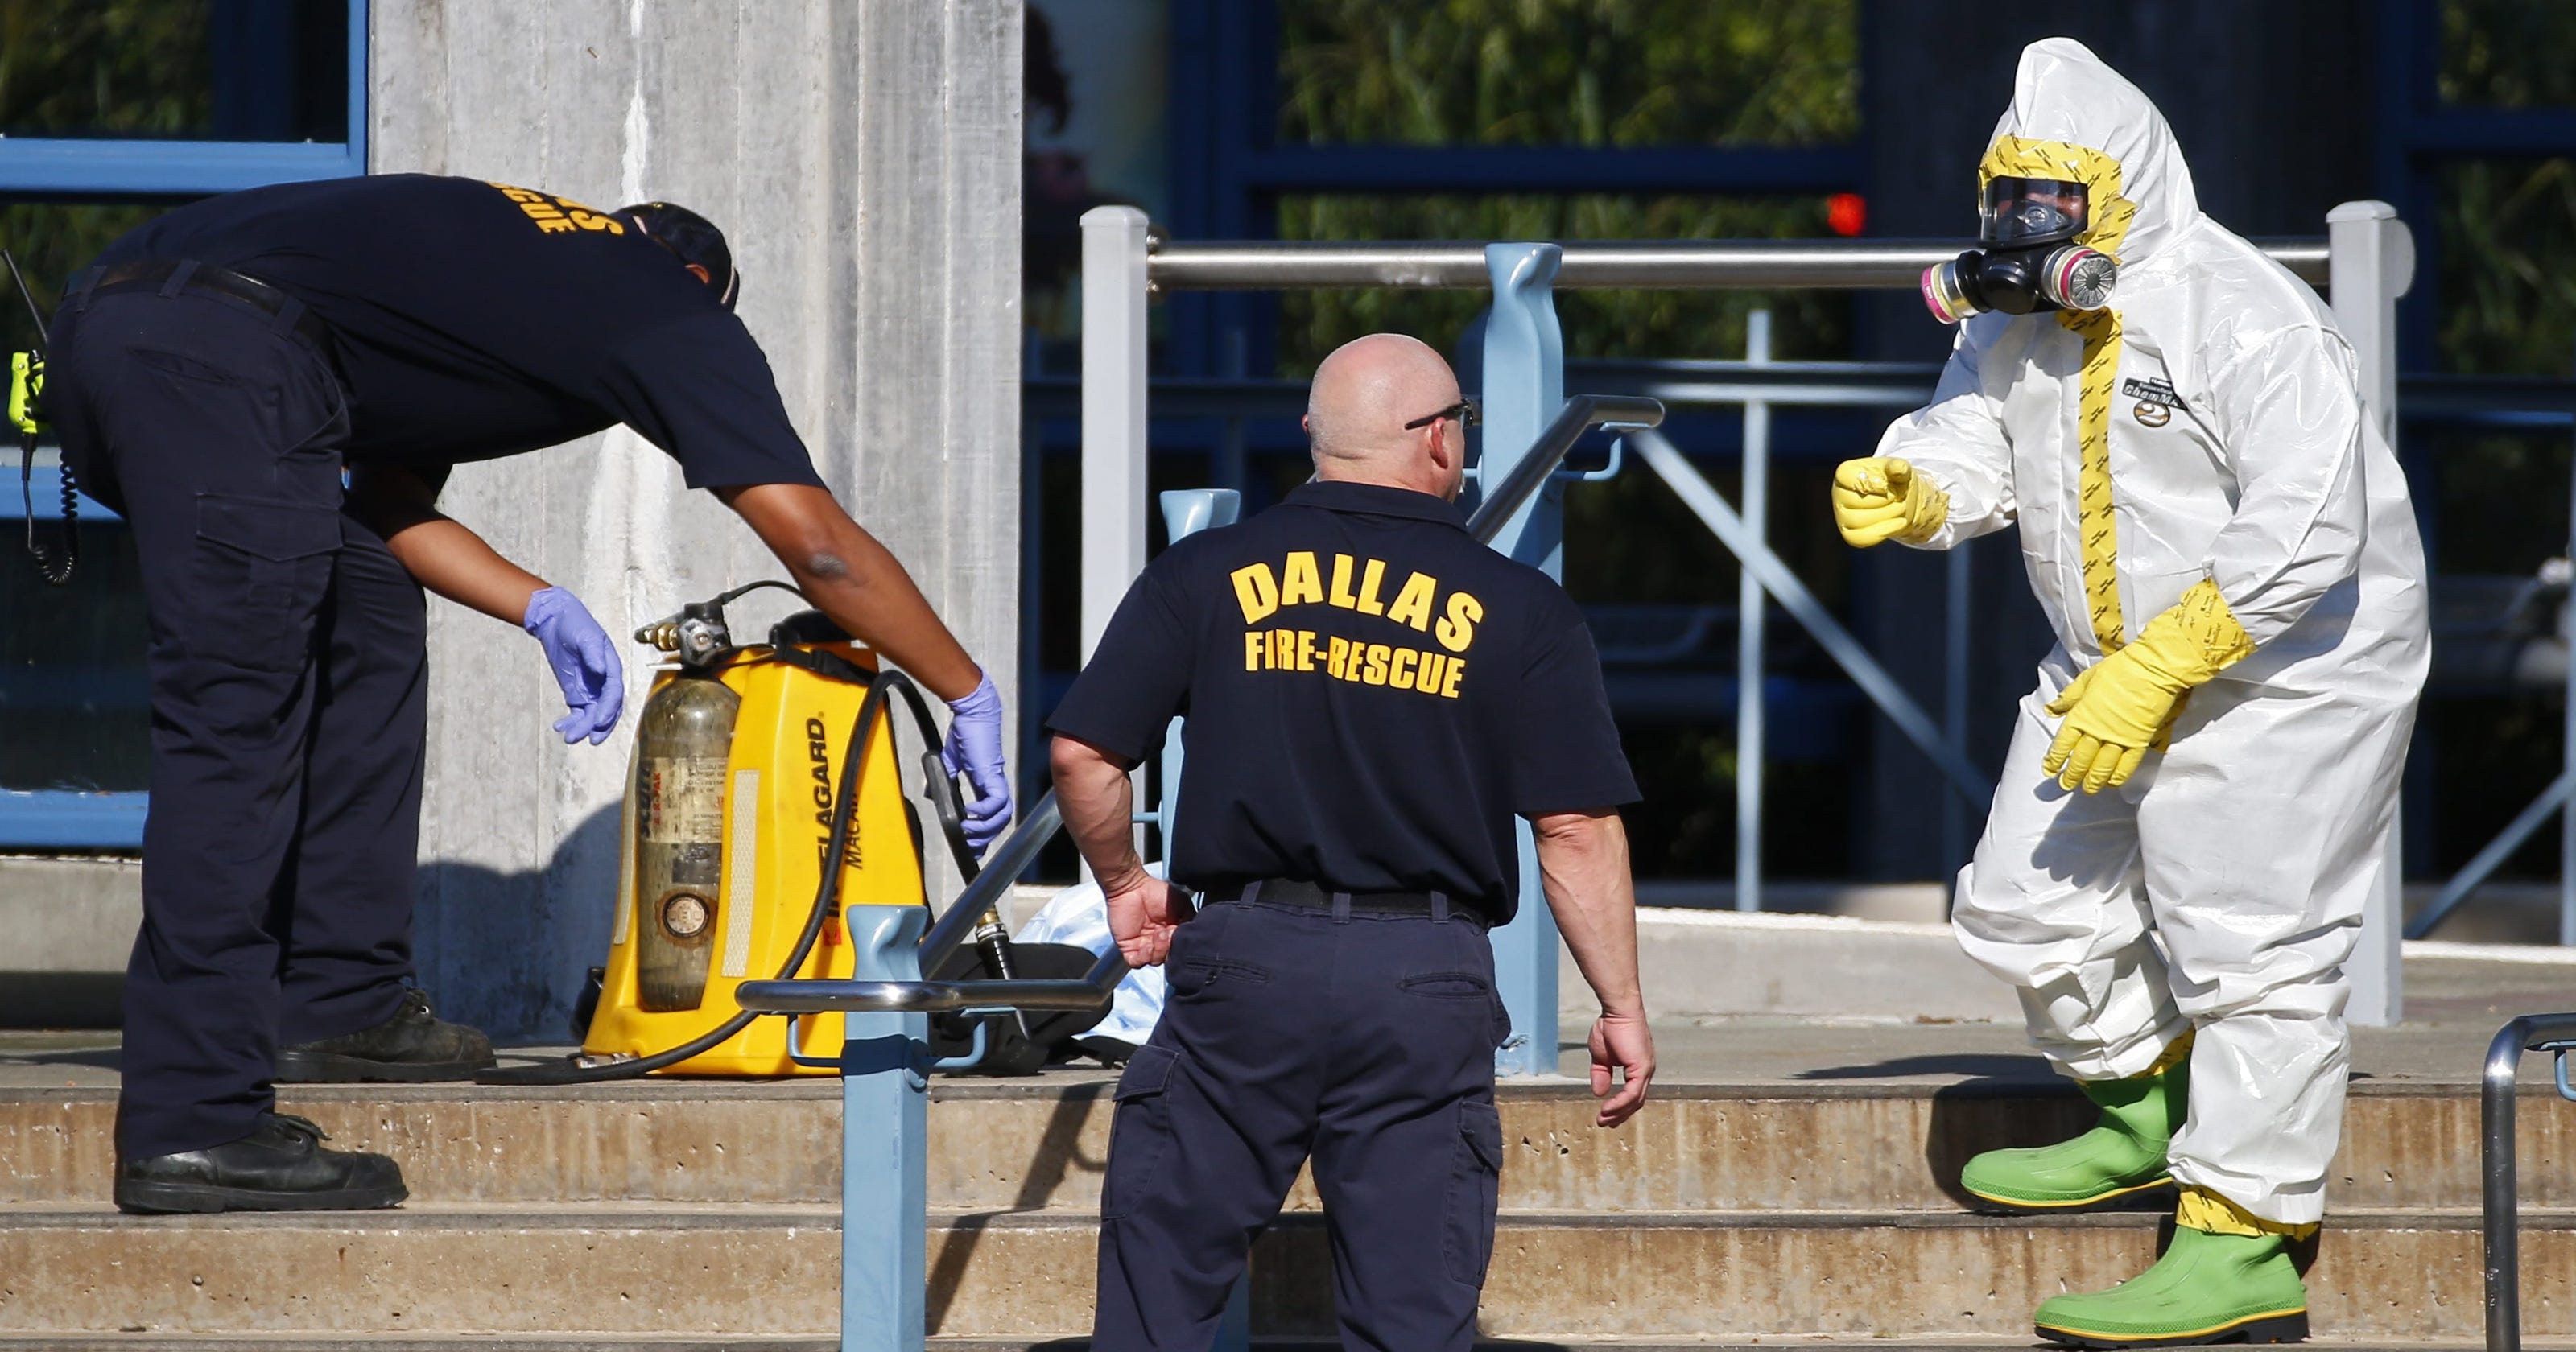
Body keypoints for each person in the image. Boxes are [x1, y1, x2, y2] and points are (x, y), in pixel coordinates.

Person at [47, 175, 1016, 1214]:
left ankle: (333, 997)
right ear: (701, 281)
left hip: (113, 332)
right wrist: (964, 690)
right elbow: (816, 548)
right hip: (225, 366)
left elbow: (386, 509)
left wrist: (537, 602)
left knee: (360, 593)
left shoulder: (523, 267)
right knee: (235, 723)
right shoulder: (667, 298)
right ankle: (193, 1118)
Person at [1831, 39, 2428, 1348]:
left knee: (2251, 946)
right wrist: (1920, 488)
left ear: (2127, 191)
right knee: (2021, 903)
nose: (2024, 234)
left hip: (2291, 671)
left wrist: (2165, 666)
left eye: (2054, 207)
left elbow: (2308, 530)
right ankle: (2142, 1111)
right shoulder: (2014, 317)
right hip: (2104, 656)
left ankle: (2246, 1239)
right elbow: (1976, 428)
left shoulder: (2245, 314)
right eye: (2010, 206)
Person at [1047, 332, 1655, 1352]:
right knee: (1410, 1315)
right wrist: (1620, 1005)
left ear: (1314, 441)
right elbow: (1574, 827)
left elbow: (1082, 755)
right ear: (1436, 445)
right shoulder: (1519, 609)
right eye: (1460, 419)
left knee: (1159, 1290)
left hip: (1242, 965)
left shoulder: (1207, 572)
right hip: (1421, 979)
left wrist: (1122, 883)